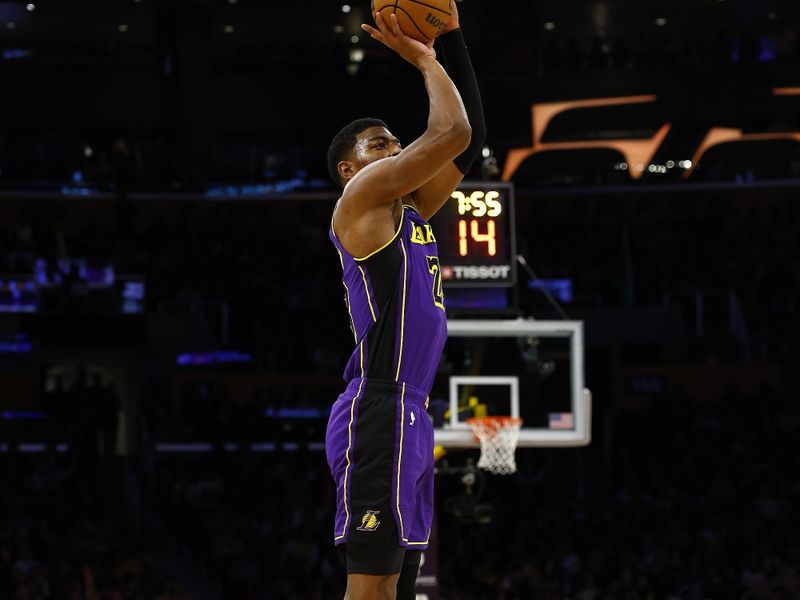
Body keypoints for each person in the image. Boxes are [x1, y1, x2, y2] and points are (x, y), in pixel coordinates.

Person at [325, 4, 486, 600]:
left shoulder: (411, 210)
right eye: (377, 144)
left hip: (411, 411)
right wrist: (424, 59)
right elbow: (452, 133)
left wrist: (454, 37)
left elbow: (472, 142)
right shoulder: (363, 198)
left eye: (396, 141)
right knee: (369, 588)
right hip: (379, 407)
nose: (393, 148)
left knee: (405, 582)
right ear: (350, 168)